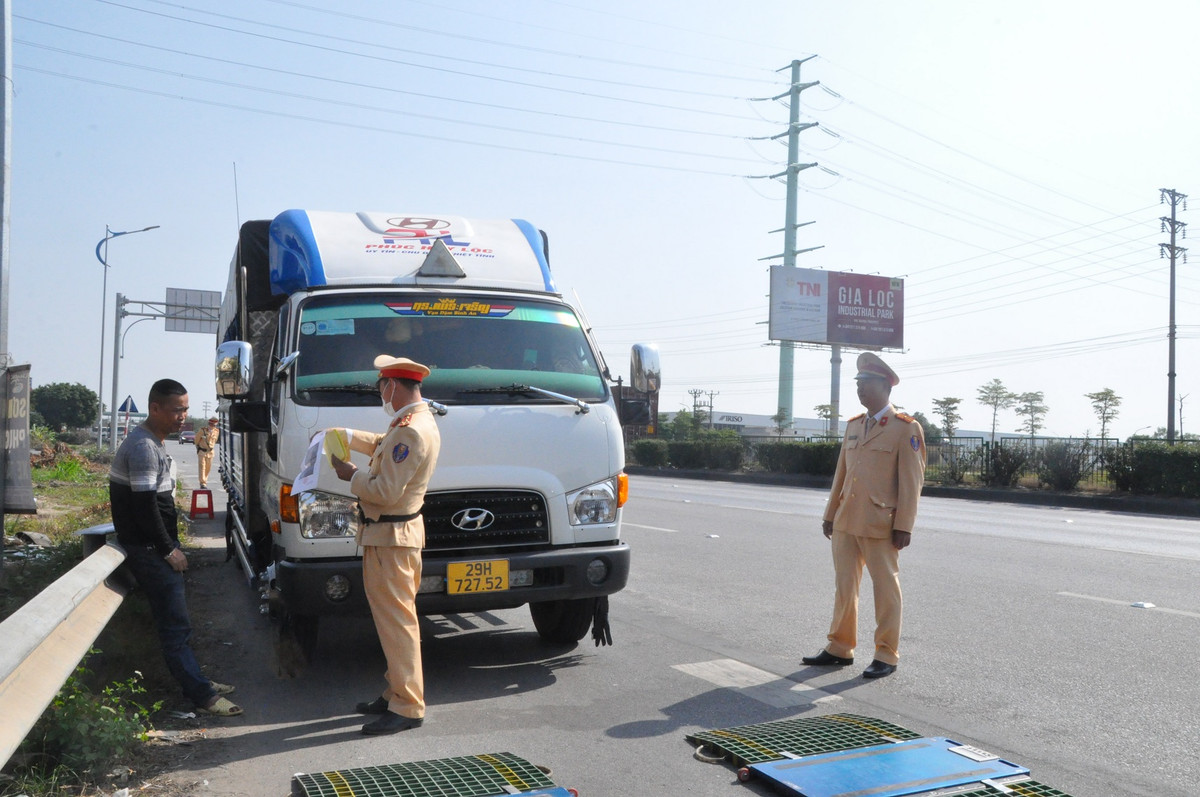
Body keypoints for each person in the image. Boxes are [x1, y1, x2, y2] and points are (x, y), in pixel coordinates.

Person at [109, 379, 242, 716]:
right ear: (154, 408)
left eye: (185, 408)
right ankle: (202, 696)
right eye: (175, 410)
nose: (183, 416)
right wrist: (168, 550)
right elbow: (144, 508)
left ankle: (200, 682)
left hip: (155, 548)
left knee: (178, 625)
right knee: (175, 627)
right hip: (150, 551)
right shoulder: (143, 448)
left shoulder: (153, 442)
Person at [329, 355, 441, 735]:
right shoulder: (410, 423)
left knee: (398, 625)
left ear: (392, 385)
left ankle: (408, 706)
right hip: (391, 537)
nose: (381, 394)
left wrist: (351, 475)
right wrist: (346, 435)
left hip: (392, 538)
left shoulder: (410, 431)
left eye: (381, 387)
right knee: (392, 622)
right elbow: (381, 444)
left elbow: (385, 491)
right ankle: (396, 691)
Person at [802, 353, 926, 680]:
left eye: (867, 384)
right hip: (846, 520)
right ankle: (840, 647)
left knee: (886, 590)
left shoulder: (905, 428)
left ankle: (887, 654)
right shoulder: (855, 425)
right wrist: (830, 514)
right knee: (845, 587)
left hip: (880, 525)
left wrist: (904, 525)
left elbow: (912, 482)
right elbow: (841, 475)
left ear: (885, 386)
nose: (860, 390)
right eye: (858, 384)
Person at [195, 417, 219, 489]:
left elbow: (215, 441)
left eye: (214, 425)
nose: (212, 426)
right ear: (209, 423)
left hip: (210, 452)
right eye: (211, 424)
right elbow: (196, 440)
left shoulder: (216, 431)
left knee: (208, 468)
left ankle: (205, 480)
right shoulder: (203, 430)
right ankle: (203, 483)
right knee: (202, 467)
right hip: (202, 451)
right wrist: (199, 447)